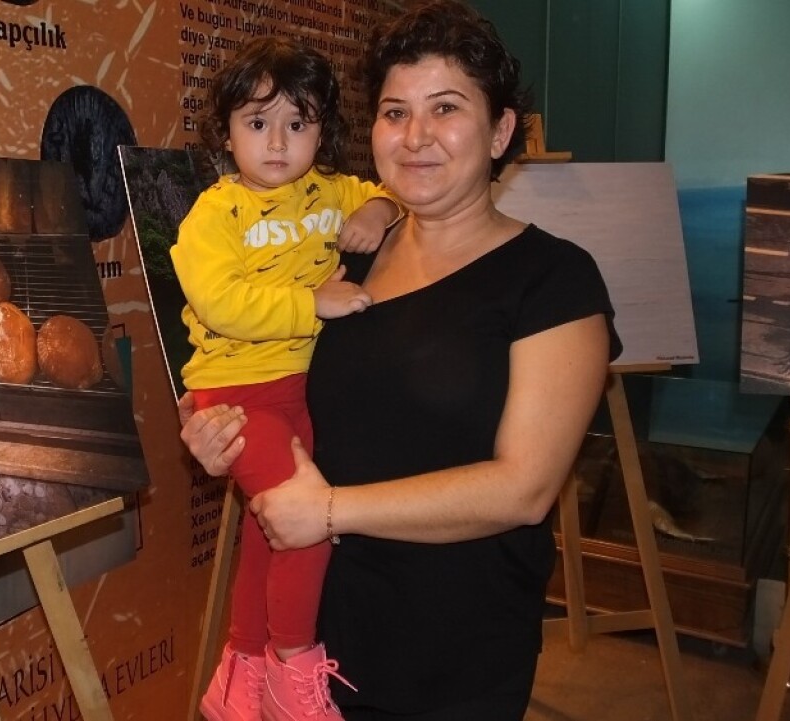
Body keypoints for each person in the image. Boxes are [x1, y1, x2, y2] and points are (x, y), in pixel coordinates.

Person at [179, 2, 623, 719]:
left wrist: (327, 510)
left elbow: (523, 488)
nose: (415, 136)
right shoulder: (348, 254)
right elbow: (299, 408)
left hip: (449, 651)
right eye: (394, 112)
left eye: (445, 108)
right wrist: (219, 437)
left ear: (501, 129)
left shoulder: (553, 280)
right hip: (319, 633)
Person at [172, 36, 402, 721]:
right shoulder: (215, 213)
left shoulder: (333, 192)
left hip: (302, 390)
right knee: (307, 522)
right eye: (258, 122)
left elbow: (397, 193)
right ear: (227, 132)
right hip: (238, 394)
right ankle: (292, 670)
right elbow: (221, 303)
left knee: (267, 532)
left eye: (297, 124)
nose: (278, 142)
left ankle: (239, 677)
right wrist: (312, 303)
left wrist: (379, 210)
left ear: (321, 132)